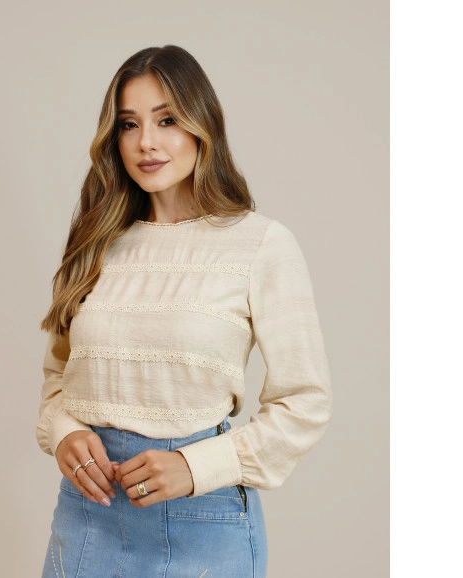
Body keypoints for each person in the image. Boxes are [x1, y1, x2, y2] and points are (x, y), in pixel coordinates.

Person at [37, 45, 332, 578]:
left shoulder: (260, 245)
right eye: (129, 124)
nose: (146, 142)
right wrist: (64, 432)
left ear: (203, 125)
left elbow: (305, 401)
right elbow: (60, 373)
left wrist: (195, 467)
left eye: (167, 120)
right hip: (88, 514)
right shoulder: (96, 243)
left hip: (203, 518)